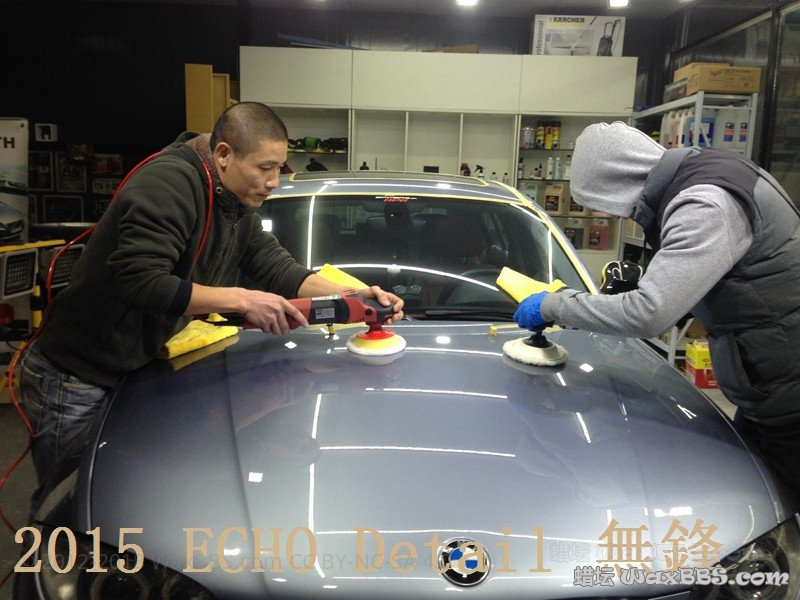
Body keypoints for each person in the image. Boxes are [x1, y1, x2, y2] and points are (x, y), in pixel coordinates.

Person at [19, 102, 404, 509]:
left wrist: (354, 297)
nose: (274, 182)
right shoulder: (169, 184)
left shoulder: (233, 200)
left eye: (279, 168)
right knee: (70, 503)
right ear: (223, 154)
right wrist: (241, 298)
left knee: (126, 495)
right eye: (265, 168)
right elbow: (139, 280)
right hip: (77, 377)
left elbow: (277, 267)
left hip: (135, 371)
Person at [513, 121, 800, 509]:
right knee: (760, 491)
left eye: (599, 201)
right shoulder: (706, 177)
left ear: (616, 182)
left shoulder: (704, 204)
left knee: (773, 509)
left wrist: (554, 304)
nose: (607, 214)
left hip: (788, 390)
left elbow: (650, 314)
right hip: (771, 382)